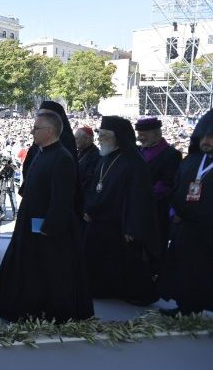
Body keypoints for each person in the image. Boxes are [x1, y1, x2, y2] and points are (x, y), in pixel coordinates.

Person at [0, 110, 93, 322]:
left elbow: (61, 200)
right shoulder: (44, 152)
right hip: (30, 222)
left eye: (36, 128)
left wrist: (49, 227)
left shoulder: (62, 158)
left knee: (46, 272)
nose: (32, 131)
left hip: (46, 228)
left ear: (50, 131)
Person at [83, 116, 159, 306]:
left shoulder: (134, 163)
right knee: (98, 258)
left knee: (126, 261)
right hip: (99, 219)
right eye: (100, 135)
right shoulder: (104, 157)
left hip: (120, 223)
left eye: (106, 136)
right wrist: (88, 208)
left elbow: (139, 198)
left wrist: (132, 227)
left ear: (119, 137)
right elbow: (94, 186)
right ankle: (102, 289)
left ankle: (136, 294)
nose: (100, 139)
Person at [158, 109, 213, 316]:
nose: (206, 141)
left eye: (211, 137)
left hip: (207, 230)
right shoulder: (192, 161)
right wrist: (177, 211)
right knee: (185, 269)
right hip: (186, 227)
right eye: (203, 137)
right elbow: (177, 187)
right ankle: (186, 306)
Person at [135, 117, 182, 262]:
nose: (140, 137)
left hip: (156, 211)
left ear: (156, 133)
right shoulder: (138, 151)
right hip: (137, 210)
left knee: (153, 251)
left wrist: (142, 198)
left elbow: (167, 184)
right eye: (139, 134)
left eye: (144, 134)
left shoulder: (171, 155)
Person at [75, 126, 100, 213]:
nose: (75, 141)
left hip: (84, 199)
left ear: (87, 139)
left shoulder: (96, 155)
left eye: (77, 138)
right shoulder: (79, 151)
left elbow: (90, 180)